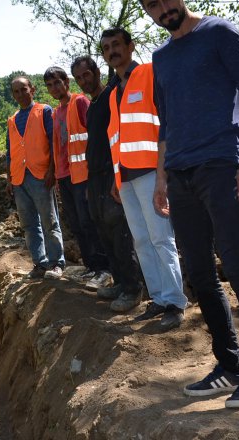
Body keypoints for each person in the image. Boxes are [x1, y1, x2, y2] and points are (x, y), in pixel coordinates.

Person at [142, 0, 239, 408]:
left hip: (220, 165)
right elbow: (164, 121)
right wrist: (162, 177)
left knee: (237, 266)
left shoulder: (219, 32)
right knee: (200, 272)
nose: (162, 8)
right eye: (151, 4)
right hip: (180, 174)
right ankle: (231, 365)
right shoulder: (160, 57)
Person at [102, 28, 188, 331]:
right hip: (126, 177)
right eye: (107, 48)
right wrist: (116, 177)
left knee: (161, 238)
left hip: (152, 172)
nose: (112, 51)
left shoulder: (150, 73)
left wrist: (164, 173)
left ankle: (176, 302)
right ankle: (159, 298)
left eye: (116, 45)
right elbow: (117, 139)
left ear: (130, 46)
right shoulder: (114, 93)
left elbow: (165, 122)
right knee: (141, 240)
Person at [70, 56, 144, 312]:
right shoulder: (92, 107)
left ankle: (134, 288)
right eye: (78, 78)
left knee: (120, 230)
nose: (83, 81)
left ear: (97, 72)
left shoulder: (112, 96)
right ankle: (121, 282)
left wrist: (117, 173)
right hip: (95, 177)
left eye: (86, 75)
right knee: (103, 230)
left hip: (111, 173)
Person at [42, 66, 111, 289]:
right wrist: (53, 171)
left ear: (66, 82)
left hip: (82, 174)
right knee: (77, 225)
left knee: (89, 222)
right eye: (50, 85)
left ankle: (104, 270)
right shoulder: (55, 112)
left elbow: (95, 136)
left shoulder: (79, 102)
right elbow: (57, 146)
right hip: (64, 176)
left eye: (57, 83)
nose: (54, 88)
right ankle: (91, 266)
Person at [5, 76, 65, 279]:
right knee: (29, 224)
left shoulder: (44, 111)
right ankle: (40, 263)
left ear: (32, 89)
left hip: (40, 175)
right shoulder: (13, 119)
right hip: (19, 178)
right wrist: (9, 177)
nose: (21, 94)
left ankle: (56, 262)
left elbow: (53, 141)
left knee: (49, 221)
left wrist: (52, 170)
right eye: (16, 91)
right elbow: (9, 151)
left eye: (24, 89)